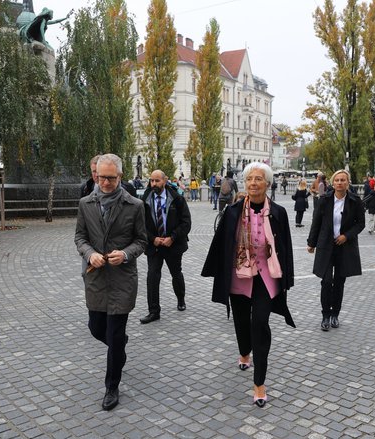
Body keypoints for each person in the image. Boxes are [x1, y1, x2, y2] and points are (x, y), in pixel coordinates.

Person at [201, 162, 295, 408]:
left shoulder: (278, 212)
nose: (253, 183)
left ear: (267, 183)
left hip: (266, 276)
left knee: (260, 323)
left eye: (258, 179)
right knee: (242, 322)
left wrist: (287, 278)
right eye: (250, 179)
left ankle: (259, 383)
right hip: (239, 276)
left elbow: (285, 249)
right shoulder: (232, 212)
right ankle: (244, 352)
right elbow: (221, 244)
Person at [74, 154, 147, 411]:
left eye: (111, 178)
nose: (105, 182)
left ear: (120, 176)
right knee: (96, 328)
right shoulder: (86, 203)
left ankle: (111, 387)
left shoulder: (135, 205)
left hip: (122, 279)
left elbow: (142, 240)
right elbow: (80, 237)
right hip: (96, 276)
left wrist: (126, 254)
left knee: (115, 333)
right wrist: (89, 254)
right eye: (101, 177)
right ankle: (119, 347)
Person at [307, 170, 364, 331]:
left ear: (348, 182)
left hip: (345, 246)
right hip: (326, 245)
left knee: (339, 282)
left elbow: (360, 223)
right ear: (333, 183)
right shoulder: (324, 200)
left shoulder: (355, 201)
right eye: (337, 180)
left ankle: (335, 315)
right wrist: (311, 243)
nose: (340, 182)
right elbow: (316, 222)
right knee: (326, 281)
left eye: (343, 180)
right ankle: (325, 315)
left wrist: (346, 235)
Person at [140, 170, 191, 324]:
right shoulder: (144, 200)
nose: (154, 184)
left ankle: (180, 298)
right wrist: (152, 238)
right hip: (154, 246)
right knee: (152, 276)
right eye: (151, 181)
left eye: (157, 181)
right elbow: (139, 224)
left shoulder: (177, 199)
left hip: (173, 245)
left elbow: (186, 223)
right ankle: (153, 311)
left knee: (176, 273)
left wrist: (173, 237)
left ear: (165, 180)